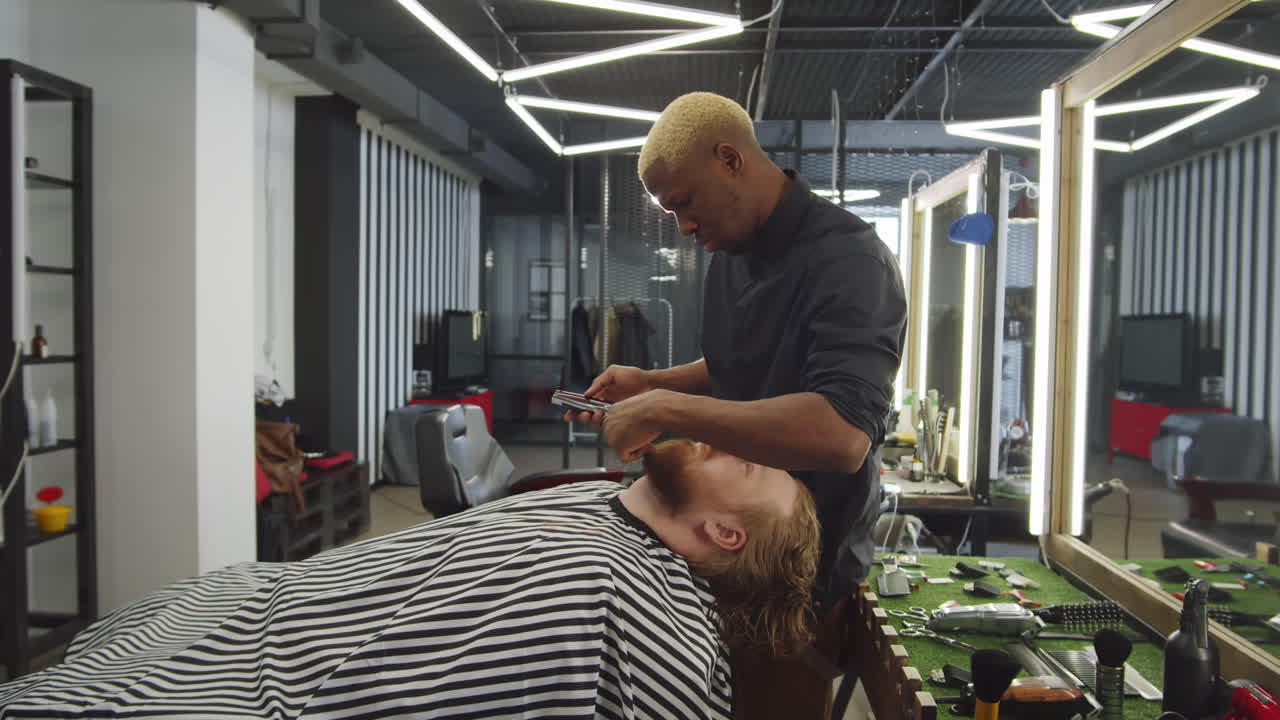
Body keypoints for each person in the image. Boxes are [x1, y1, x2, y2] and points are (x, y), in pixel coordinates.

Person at [0, 440, 818, 720]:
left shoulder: (607, 584)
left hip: (258, 683)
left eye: (740, 463)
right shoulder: (599, 505)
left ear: (723, 533)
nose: (720, 438)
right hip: (234, 614)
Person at [566, 91, 907, 718]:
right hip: (714, 543)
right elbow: (738, 370)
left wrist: (670, 410)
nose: (683, 228)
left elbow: (842, 432)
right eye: (670, 213)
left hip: (794, 565)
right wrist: (653, 380)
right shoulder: (732, 251)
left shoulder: (854, 263)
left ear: (730, 159)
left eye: (685, 204)